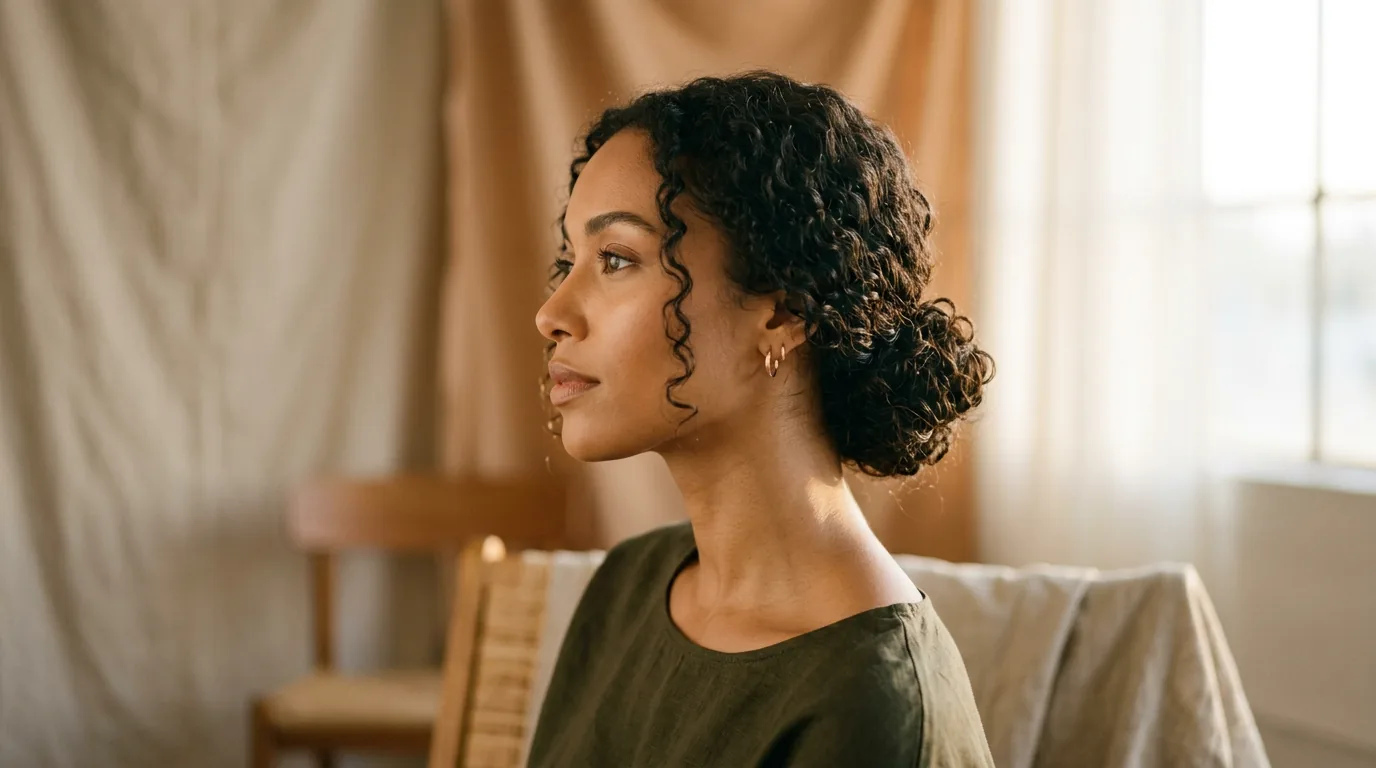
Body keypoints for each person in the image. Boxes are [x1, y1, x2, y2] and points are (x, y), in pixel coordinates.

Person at [529, 70, 995, 767]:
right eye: (571, 260)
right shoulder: (628, 586)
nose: (551, 314)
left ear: (782, 311)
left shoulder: (871, 706)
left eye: (617, 259)